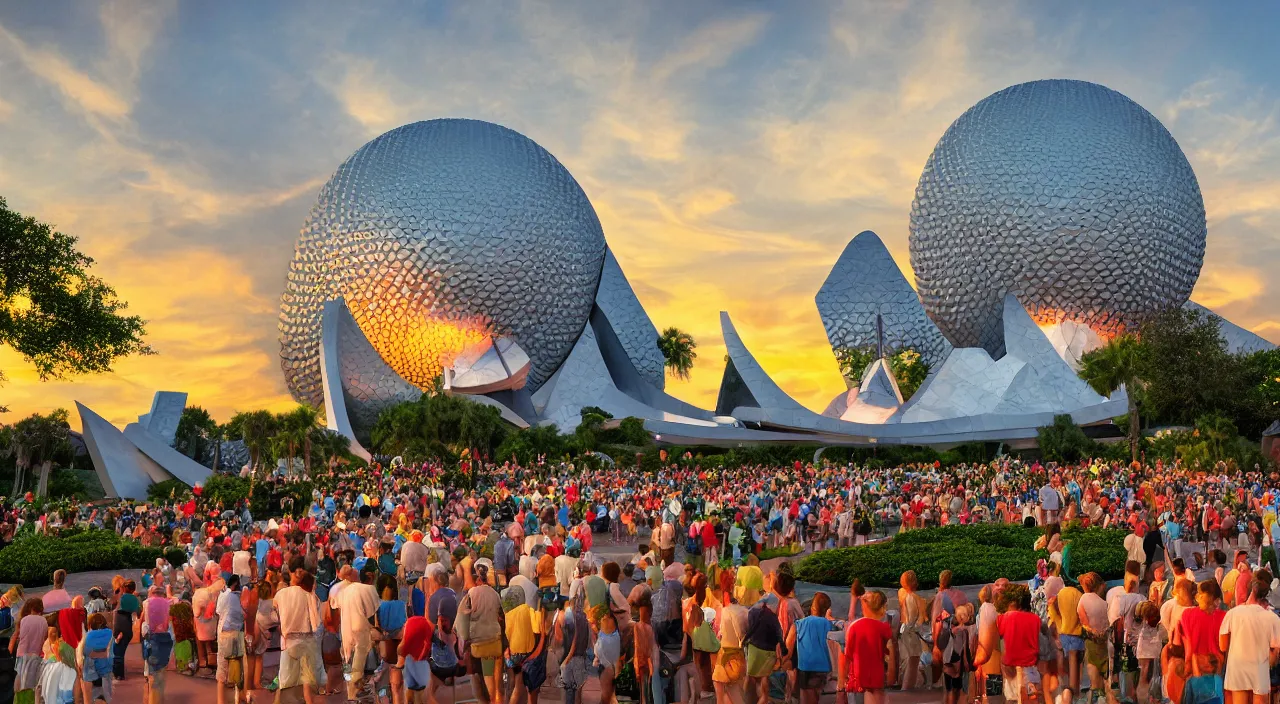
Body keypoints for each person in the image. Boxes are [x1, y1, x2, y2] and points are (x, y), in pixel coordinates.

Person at [1219, 572, 1280, 704]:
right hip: (1259, 670)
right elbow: (1274, 654)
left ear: (1251, 589)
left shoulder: (1232, 614)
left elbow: (1223, 646)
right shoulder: (1272, 618)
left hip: (1237, 669)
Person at [844, 590, 895, 704]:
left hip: (856, 680)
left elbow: (847, 656)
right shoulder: (884, 628)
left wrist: (842, 680)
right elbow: (890, 654)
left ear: (864, 606)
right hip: (876, 681)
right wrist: (891, 675)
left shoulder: (854, 627)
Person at [787, 592, 837, 704]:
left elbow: (788, 646)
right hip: (825, 668)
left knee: (807, 699)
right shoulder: (830, 625)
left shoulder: (799, 624)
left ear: (812, 607)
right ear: (827, 609)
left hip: (806, 668)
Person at [215, 574, 246, 704]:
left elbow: (218, 611)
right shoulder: (237, 596)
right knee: (238, 668)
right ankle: (237, 698)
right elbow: (244, 614)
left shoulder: (223, 595)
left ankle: (221, 701)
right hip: (235, 634)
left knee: (222, 670)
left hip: (224, 634)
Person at [11, 596, 46, 696]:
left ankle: (17, 697)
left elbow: (21, 636)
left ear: (30, 608)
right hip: (36, 652)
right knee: (34, 677)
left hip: (22, 652)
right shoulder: (44, 621)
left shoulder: (24, 620)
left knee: (19, 674)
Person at [82, 612, 114, 704]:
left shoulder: (89, 635)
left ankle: (90, 700)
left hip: (91, 667)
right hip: (106, 666)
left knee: (87, 671)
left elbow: (86, 652)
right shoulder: (110, 633)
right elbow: (112, 651)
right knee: (107, 690)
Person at [113, 581, 141, 681]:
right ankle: (119, 673)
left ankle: (118, 674)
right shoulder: (135, 599)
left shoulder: (122, 597)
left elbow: (111, 604)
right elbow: (138, 612)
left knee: (117, 652)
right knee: (121, 651)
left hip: (120, 625)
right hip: (128, 626)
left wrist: (118, 593)